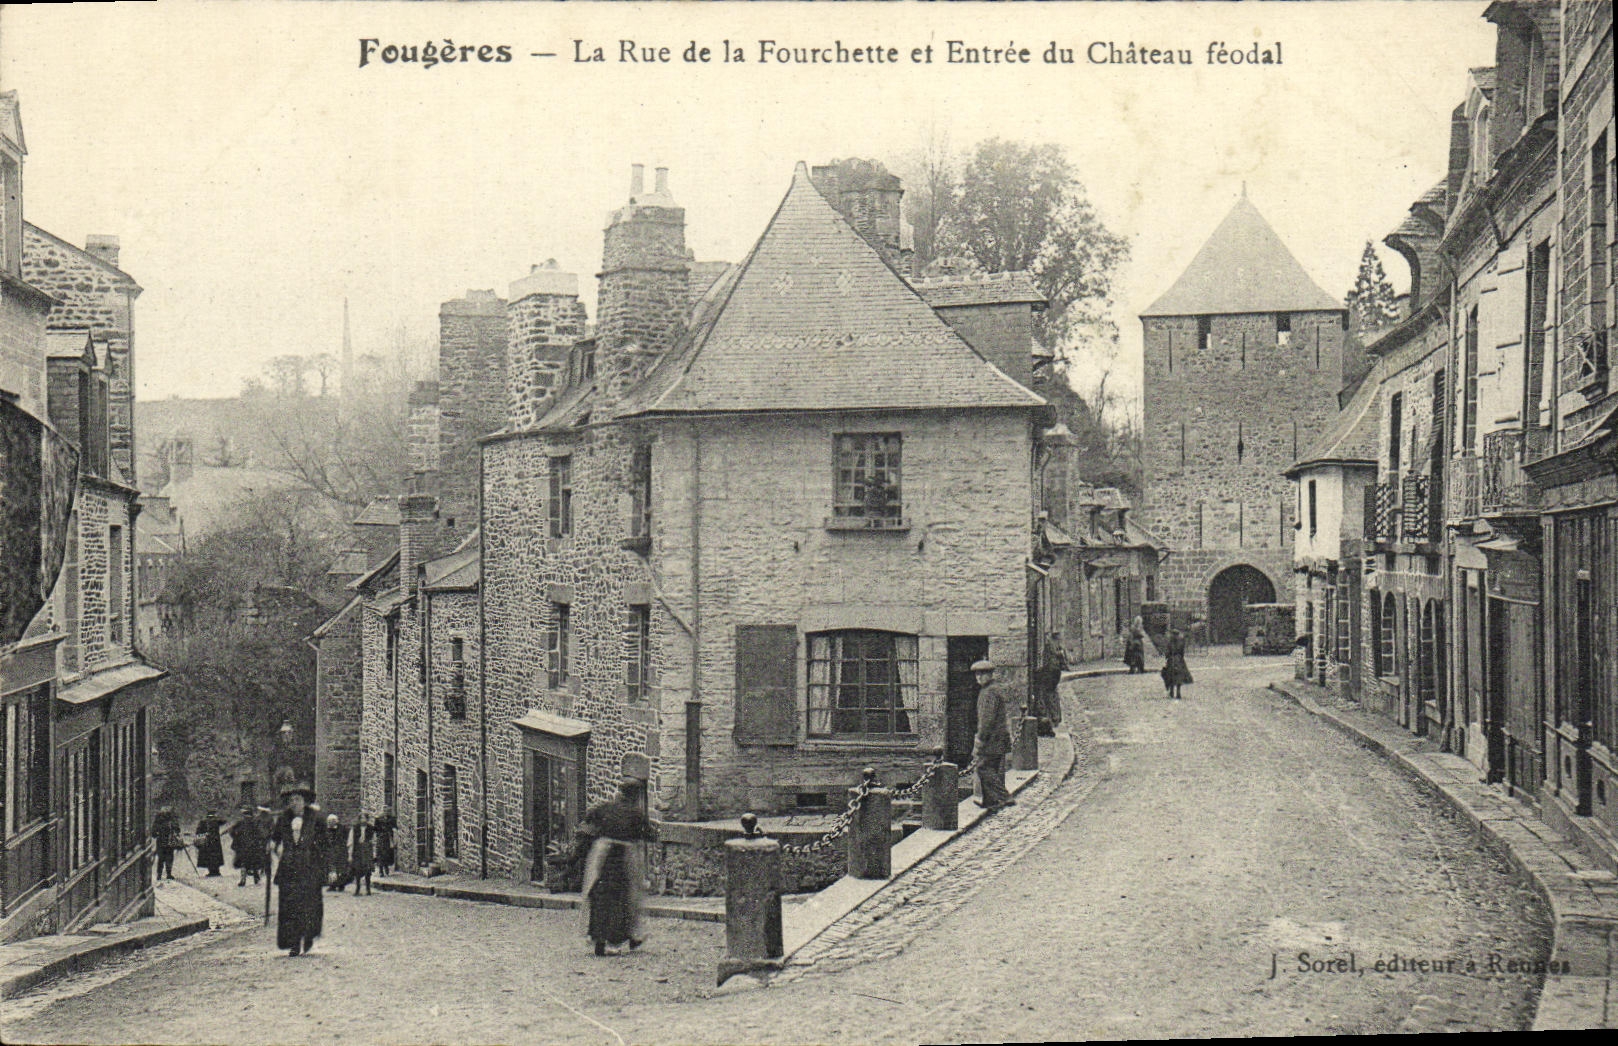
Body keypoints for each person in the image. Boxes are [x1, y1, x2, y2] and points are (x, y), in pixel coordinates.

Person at [580, 779, 654, 956]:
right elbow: (648, 834)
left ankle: (598, 937)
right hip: (622, 858)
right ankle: (629, 935)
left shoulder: (605, 808)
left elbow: (588, 821)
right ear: (635, 796)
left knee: (599, 895)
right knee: (629, 896)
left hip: (602, 857)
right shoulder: (635, 814)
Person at [270, 782, 327, 957]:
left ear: (304, 801)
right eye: (291, 800)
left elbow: (325, 844)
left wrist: (326, 867)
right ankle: (293, 943)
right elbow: (275, 840)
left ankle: (308, 936)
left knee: (309, 905)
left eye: (297, 799)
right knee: (290, 906)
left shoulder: (316, 819)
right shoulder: (283, 819)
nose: (294, 803)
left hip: (310, 868)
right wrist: (273, 847)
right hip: (289, 869)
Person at [970, 659, 1016, 812]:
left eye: (982, 674)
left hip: (992, 739)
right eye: (977, 674)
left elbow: (986, 720)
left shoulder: (988, 692)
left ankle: (1004, 796)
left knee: (982, 768)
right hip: (999, 737)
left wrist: (980, 740)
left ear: (989, 675)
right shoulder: (994, 689)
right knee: (992, 768)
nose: (979, 677)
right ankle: (990, 801)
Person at [1033, 634, 1067, 737]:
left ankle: (1052, 719)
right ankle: (1055, 718)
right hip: (1055, 672)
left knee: (1048, 694)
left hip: (1050, 672)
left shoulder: (1049, 645)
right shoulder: (1057, 645)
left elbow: (1046, 661)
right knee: (1052, 694)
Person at [229, 806, 267, 887]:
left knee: (244, 863)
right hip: (254, 846)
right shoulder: (255, 822)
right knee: (254, 862)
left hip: (243, 846)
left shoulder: (240, 823)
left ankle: (243, 879)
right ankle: (256, 878)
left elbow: (231, 831)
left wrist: (235, 837)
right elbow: (262, 834)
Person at [1161, 627, 1193, 700]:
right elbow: (1182, 652)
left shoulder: (1170, 642)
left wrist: (1168, 657)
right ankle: (1178, 693)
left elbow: (1167, 653)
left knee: (1170, 676)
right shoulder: (1181, 642)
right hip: (1179, 660)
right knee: (1179, 677)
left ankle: (1172, 692)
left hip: (1171, 660)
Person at [151, 805, 181, 881]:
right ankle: (167, 874)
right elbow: (177, 829)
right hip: (167, 841)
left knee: (162, 858)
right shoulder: (171, 820)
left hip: (163, 841)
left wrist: (156, 834)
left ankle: (161, 874)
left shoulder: (159, 820)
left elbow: (154, 832)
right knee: (168, 858)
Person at [194, 809, 226, 876]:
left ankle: (212, 871)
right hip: (215, 842)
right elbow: (224, 821)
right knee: (215, 857)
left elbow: (198, 831)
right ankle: (216, 871)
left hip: (207, 842)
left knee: (208, 857)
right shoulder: (216, 822)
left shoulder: (203, 822)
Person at [325, 814, 351, 892]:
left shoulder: (343, 829)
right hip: (330, 851)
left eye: (332, 821)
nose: (330, 822)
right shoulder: (326, 829)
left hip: (341, 851)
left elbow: (347, 839)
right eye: (329, 821)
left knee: (342, 869)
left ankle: (341, 885)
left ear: (336, 821)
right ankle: (332, 885)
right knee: (331, 869)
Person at [350, 824, 375, 896]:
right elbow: (351, 841)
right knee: (357, 870)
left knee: (368, 870)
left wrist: (373, 853)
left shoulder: (370, 828)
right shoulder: (355, 828)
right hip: (358, 852)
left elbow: (373, 841)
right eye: (362, 818)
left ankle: (368, 889)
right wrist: (351, 853)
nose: (363, 820)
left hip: (367, 851)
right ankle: (357, 889)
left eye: (365, 818)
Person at [373, 813, 397, 878]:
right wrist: (378, 835)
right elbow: (375, 830)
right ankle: (381, 871)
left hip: (387, 840)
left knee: (386, 854)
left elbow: (394, 828)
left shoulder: (390, 819)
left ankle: (386, 867)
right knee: (380, 855)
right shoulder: (378, 819)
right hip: (380, 840)